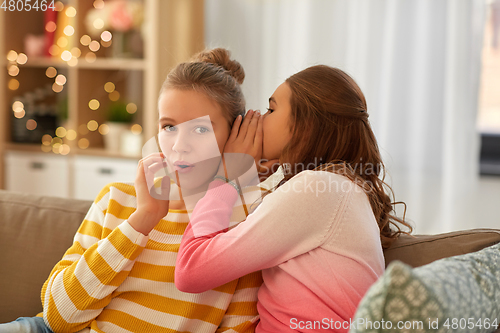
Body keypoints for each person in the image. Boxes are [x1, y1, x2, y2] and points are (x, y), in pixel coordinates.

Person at [0, 48, 266, 333]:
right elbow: (58, 318)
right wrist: (143, 218)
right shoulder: (116, 199)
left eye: (200, 130)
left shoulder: (246, 227)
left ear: (235, 135)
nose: (178, 145)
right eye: (169, 127)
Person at [172, 65, 413, 332]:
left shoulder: (318, 188)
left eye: (271, 110)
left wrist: (226, 179)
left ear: (305, 127)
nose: (258, 119)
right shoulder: (337, 188)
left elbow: (190, 270)